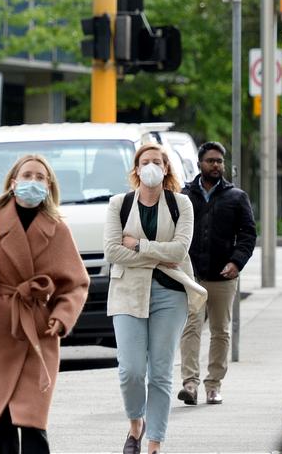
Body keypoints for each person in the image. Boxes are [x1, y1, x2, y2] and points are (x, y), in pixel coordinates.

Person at [0, 154, 90, 453]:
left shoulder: (57, 228)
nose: (33, 181)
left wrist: (62, 314)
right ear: (13, 182)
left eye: (40, 177)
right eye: (27, 175)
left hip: (38, 329)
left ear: (49, 185)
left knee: (32, 418)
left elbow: (76, 282)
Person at [104, 143, 207, 454]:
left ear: (166, 168)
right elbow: (112, 251)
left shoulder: (181, 204)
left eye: (156, 162)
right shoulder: (118, 204)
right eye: (144, 161)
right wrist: (158, 255)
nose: (150, 166)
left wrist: (138, 246)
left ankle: (153, 444)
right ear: (136, 169)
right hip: (127, 293)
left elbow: (180, 251)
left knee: (160, 372)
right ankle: (136, 423)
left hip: (171, 293)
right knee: (131, 370)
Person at [178, 141, 257, 406]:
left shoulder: (236, 197)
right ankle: (190, 383)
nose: (216, 165)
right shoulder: (184, 195)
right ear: (199, 163)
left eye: (219, 161)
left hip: (224, 277)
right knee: (190, 328)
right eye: (210, 160)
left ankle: (214, 384)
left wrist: (236, 262)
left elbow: (248, 234)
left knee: (221, 330)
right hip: (192, 275)